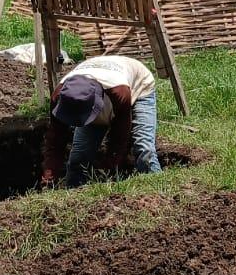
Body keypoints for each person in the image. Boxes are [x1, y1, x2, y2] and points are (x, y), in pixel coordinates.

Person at [39, 55, 161, 188]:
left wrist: (109, 172)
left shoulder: (119, 92)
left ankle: (157, 189)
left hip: (139, 86)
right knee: (78, 158)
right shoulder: (60, 96)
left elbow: (119, 138)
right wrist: (49, 176)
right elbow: (55, 139)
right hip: (100, 86)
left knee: (144, 149)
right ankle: (73, 195)